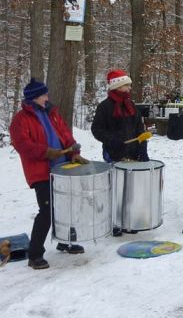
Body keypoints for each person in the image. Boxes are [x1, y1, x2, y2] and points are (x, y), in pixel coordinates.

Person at [9, 78, 89, 269]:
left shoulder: (52, 113)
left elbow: (66, 135)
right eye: (44, 94)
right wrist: (45, 152)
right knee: (47, 211)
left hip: (62, 168)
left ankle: (66, 241)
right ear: (35, 97)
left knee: (66, 205)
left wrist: (74, 153)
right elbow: (23, 145)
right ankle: (35, 254)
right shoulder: (21, 120)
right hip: (41, 172)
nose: (47, 97)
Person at [91, 69, 149, 163]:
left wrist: (143, 150)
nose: (129, 88)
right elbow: (97, 129)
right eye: (126, 85)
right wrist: (112, 141)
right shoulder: (104, 107)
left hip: (134, 154)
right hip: (113, 154)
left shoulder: (132, 106)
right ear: (117, 87)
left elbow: (140, 130)